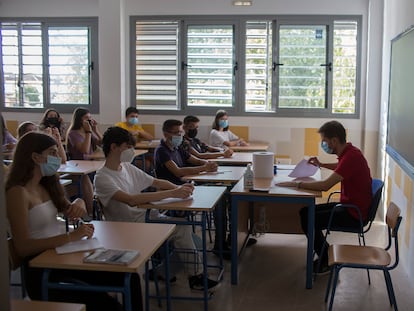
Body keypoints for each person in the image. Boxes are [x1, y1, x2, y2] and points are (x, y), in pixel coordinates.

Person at [6, 132, 139, 311]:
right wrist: (71, 237)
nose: (58, 158)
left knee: (130, 278)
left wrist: (80, 202)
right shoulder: (18, 192)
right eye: (52, 153)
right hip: (42, 269)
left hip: (62, 257)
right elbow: (22, 247)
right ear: (36, 157)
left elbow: (69, 208)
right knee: (106, 304)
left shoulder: (45, 184)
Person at [94, 126, 218, 291]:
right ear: (114, 147)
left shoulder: (127, 168)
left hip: (144, 217)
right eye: (128, 147)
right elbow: (131, 200)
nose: (131, 151)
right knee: (182, 229)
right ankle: (193, 276)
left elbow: (156, 182)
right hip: (127, 226)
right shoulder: (102, 178)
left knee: (186, 232)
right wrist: (174, 192)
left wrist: (181, 189)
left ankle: (168, 271)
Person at [277, 120, 372, 273]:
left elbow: (325, 186)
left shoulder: (351, 157)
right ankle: (326, 254)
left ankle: (325, 260)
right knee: (305, 212)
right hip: (350, 206)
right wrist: (320, 165)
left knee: (309, 218)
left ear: (334, 140)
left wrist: (297, 184)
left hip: (353, 214)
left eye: (324, 141)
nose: (323, 144)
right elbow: (340, 167)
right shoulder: (350, 152)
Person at [154, 119, 218, 185]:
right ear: (165, 134)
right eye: (175, 132)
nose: (179, 135)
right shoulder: (161, 150)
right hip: (171, 188)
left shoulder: (178, 147)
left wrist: (209, 164)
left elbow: (196, 161)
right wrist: (204, 168)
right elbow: (178, 172)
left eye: (180, 132)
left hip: (185, 183)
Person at [66, 107, 103, 215]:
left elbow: (101, 142)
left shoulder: (89, 132)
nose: (89, 121)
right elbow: (84, 150)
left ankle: (100, 208)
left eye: (90, 118)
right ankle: (90, 212)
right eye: (86, 119)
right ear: (79, 120)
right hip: (79, 167)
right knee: (86, 179)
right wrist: (88, 132)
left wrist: (95, 130)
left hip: (91, 165)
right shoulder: (73, 134)